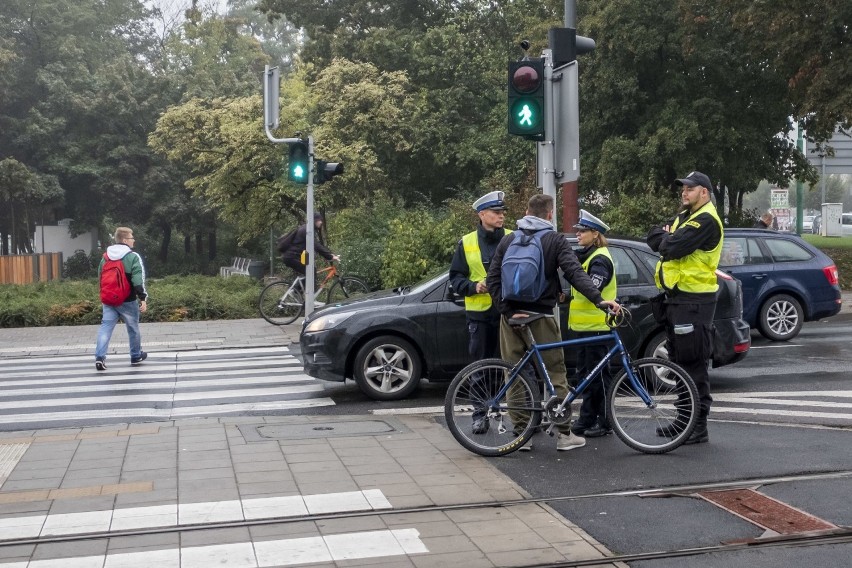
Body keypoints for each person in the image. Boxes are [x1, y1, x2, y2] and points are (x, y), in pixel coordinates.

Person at [486, 194, 621, 452]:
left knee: (514, 372)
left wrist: (507, 311)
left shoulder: (509, 239)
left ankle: (520, 435)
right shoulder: (554, 240)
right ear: (549, 215)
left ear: (526, 211)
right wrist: (599, 300)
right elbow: (575, 273)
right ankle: (564, 434)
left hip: (512, 317)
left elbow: (493, 279)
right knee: (555, 372)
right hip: (542, 317)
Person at [647, 171, 723, 445]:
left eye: (690, 188)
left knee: (693, 363)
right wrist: (665, 239)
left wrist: (667, 240)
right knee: (679, 362)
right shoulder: (685, 218)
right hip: (678, 300)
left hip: (695, 302)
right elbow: (654, 235)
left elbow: (672, 247)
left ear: (704, 192)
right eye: (683, 188)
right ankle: (684, 422)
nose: (684, 192)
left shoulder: (705, 220)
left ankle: (697, 427)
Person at [449, 190, 512, 434]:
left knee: (511, 366)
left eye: (502, 212)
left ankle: (516, 414)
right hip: (480, 315)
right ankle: (479, 415)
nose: (501, 216)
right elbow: (455, 278)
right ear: (482, 214)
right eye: (496, 213)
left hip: (507, 311)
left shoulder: (512, 237)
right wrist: (474, 287)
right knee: (480, 367)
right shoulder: (467, 242)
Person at [568, 210, 617, 439]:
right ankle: (588, 417)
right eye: (577, 230)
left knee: (597, 377)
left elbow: (592, 288)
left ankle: (604, 421)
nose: (578, 234)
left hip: (598, 327)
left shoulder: (600, 259)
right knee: (587, 375)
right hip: (586, 328)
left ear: (595, 234)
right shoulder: (588, 256)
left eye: (582, 231)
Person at [94, 227, 148, 371]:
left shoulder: (105, 257)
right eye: (131, 238)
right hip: (127, 299)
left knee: (105, 327)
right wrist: (142, 298)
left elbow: (100, 277)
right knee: (133, 328)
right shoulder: (132, 256)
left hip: (109, 299)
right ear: (125, 240)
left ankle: (100, 357)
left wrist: (104, 294)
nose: (133, 240)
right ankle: (135, 356)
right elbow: (137, 279)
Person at [278, 213, 340, 278]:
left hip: (296, 255)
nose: (321, 222)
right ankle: (300, 288)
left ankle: (302, 287)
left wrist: (329, 255)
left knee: (311, 271)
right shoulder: (307, 231)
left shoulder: (307, 228)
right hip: (292, 256)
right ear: (314, 220)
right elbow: (316, 245)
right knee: (311, 272)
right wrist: (330, 256)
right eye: (319, 220)